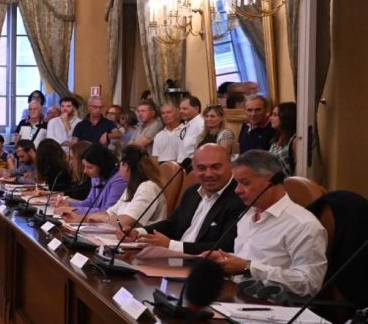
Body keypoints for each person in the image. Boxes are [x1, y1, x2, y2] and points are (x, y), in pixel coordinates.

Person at [210, 150, 327, 297]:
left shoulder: (303, 225)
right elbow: (254, 259)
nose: (237, 190)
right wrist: (226, 260)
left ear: (271, 181)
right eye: (237, 183)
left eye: (245, 183)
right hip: (236, 295)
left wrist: (249, 268)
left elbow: (310, 283)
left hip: (271, 304)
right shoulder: (246, 215)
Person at [132, 144, 244, 254]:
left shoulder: (240, 198)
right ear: (194, 169)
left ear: (230, 166)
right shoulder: (192, 192)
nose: (208, 174)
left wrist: (171, 245)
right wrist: (139, 232)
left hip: (200, 263)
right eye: (201, 168)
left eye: (216, 167)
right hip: (173, 258)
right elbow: (172, 224)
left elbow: (226, 246)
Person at [87, 145, 166, 228]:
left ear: (125, 166)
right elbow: (110, 213)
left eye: (119, 165)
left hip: (142, 235)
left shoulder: (148, 188)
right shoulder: (132, 186)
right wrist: (86, 217)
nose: (119, 169)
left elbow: (126, 222)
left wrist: (104, 218)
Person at [57, 143, 126, 218]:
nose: (85, 171)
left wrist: (73, 210)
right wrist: (68, 204)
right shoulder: (96, 177)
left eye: (89, 167)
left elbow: (107, 211)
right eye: (84, 166)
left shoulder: (119, 180)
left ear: (102, 166)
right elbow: (89, 203)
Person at [177, 95, 205, 171]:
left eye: (184, 109)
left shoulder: (201, 125)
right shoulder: (185, 124)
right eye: (180, 109)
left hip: (193, 168)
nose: (181, 111)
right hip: (182, 167)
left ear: (196, 108)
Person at [269, 102, 297, 177]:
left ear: (286, 117)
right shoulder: (278, 136)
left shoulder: (294, 140)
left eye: (275, 115)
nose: (270, 118)